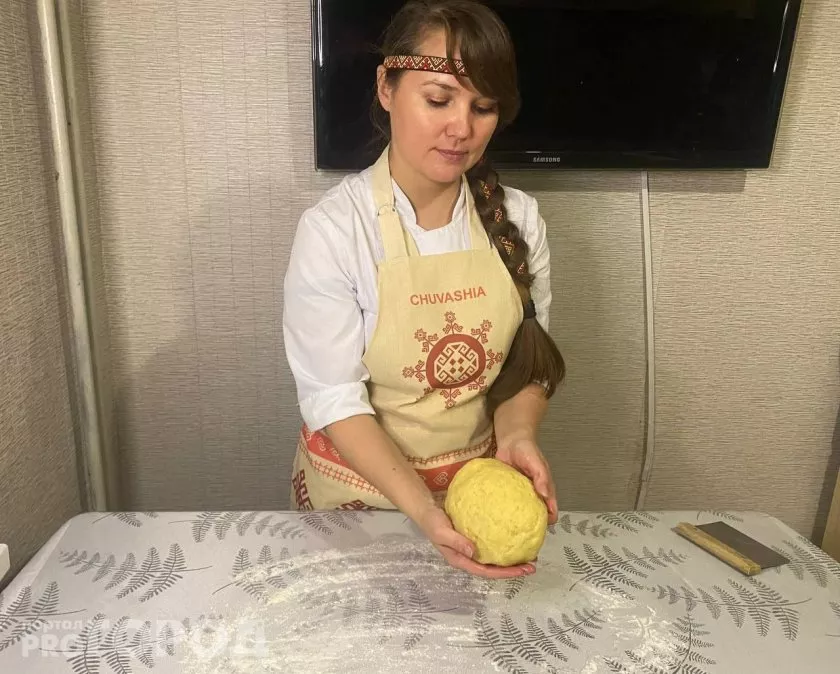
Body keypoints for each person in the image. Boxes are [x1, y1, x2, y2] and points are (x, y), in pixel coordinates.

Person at [283, 0, 565, 579]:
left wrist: (517, 434)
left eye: (483, 107)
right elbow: (333, 398)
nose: (462, 128)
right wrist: (423, 510)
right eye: (439, 99)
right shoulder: (336, 231)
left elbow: (527, 365)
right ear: (386, 87)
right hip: (357, 501)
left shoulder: (519, 220)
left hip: (471, 498)